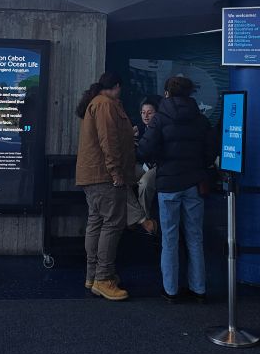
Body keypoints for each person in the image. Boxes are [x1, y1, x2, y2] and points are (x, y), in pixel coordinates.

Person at [137, 75, 217, 303]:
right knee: (195, 237)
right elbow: (210, 152)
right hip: (193, 184)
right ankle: (198, 289)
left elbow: (144, 149)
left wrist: (159, 158)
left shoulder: (160, 119)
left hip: (168, 185)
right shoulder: (200, 120)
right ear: (190, 94)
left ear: (166, 94)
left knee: (169, 239)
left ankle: (171, 290)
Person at [75, 72, 137, 301]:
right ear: (117, 86)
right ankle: (103, 279)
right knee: (112, 224)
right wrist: (116, 172)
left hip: (93, 176)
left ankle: (93, 276)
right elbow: (108, 141)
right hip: (104, 177)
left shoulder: (97, 103)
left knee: (97, 222)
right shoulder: (104, 105)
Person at [126, 95, 161, 234]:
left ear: (156, 114)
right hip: (142, 164)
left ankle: (144, 220)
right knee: (121, 179)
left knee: (145, 184)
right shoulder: (138, 128)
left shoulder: (161, 128)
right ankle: (140, 219)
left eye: (150, 112)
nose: (145, 116)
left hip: (157, 166)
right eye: (143, 112)